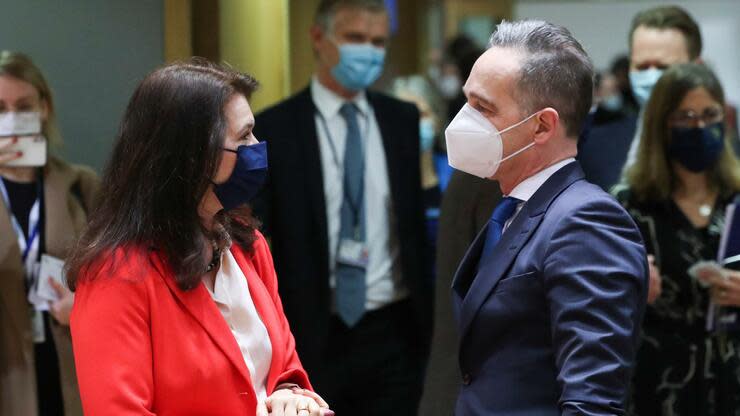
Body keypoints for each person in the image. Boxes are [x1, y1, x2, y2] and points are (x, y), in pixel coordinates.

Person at [67, 60, 331, 416]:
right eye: (244, 137)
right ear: (192, 156)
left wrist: (292, 393)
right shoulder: (115, 274)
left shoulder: (247, 245)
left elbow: (282, 367)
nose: (258, 147)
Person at [446, 20, 647, 415]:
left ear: (541, 125)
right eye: (467, 102)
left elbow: (592, 402)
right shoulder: (513, 208)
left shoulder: (586, 221)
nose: (465, 119)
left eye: (483, 108)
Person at [252, 0, 430, 414]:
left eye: (378, 41)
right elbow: (259, 231)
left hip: (395, 329)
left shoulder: (401, 121)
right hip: (313, 330)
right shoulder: (276, 128)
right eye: (355, 38)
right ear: (319, 38)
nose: (368, 51)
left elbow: (414, 225)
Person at [613, 63, 740, 415]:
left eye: (709, 114)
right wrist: (632, 289)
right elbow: (601, 302)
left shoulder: (736, 198)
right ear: (662, 126)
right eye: (685, 116)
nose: (699, 126)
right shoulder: (629, 206)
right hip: (660, 386)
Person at [0, 51, 97, 416]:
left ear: (44, 108)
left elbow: (124, 278)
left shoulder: (81, 186)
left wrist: (86, 307)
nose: (12, 120)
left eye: (23, 105)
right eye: (0, 108)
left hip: (70, 369)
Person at [580, 6, 702, 191]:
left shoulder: (719, 149)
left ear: (696, 68)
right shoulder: (593, 148)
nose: (652, 77)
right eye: (642, 67)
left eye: (665, 67)